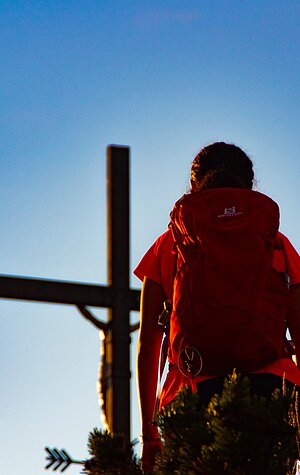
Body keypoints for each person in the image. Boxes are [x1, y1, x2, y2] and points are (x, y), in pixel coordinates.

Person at [134, 142, 300, 473]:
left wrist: (150, 433)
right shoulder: (275, 242)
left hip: (193, 393)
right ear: (249, 186)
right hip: (271, 391)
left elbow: (148, 345)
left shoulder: (171, 244)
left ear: (193, 186)